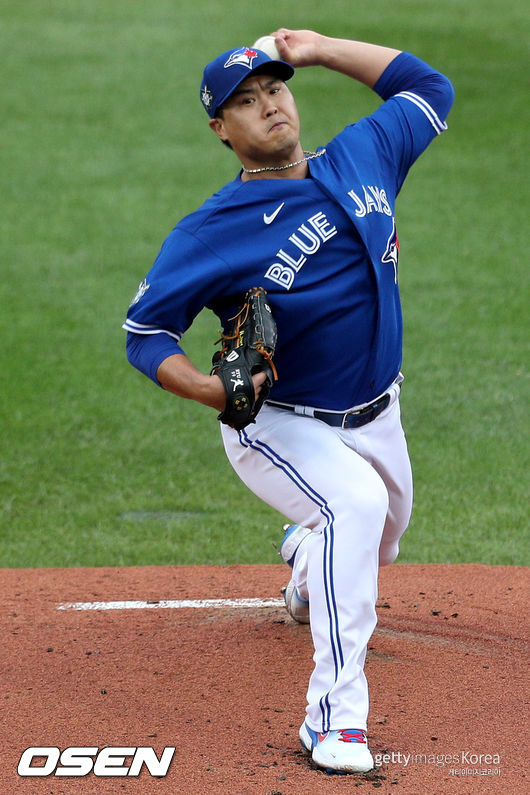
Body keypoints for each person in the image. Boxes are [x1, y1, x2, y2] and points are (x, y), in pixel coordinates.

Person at [123, 28, 454, 774]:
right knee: (354, 508)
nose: (269, 105)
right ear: (221, 129)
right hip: (280, 424)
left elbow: (431, 90)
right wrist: (207, 388)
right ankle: (334, 722)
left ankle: (306, 563)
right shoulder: (211, 232)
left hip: (379, 411)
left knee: (380, 537)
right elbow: (146, 333)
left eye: (275, 88)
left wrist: (320, 47)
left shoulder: (364, 154)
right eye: (245, 101)